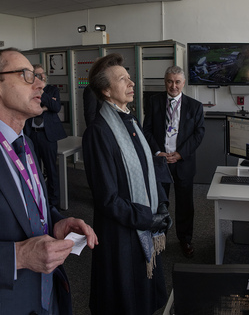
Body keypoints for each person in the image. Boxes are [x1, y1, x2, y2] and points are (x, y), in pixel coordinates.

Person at [0, 47, 97, 314]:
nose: (41, 83)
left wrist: (55, 222)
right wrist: (17, 256)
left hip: (46, 296)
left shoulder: (26, 142)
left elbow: (28, 205)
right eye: (26, 75)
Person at [82, 53, 172, 314]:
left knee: (145, 296)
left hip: (141, 221)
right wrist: (147, 217)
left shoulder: (130, 120)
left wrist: (161, 204)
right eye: (123, 79)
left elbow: (148, 168)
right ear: (106, 90)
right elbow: (107, 198)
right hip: (121, 234)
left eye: (129, 78)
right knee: (125, 301)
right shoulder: (98, 132)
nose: (131, 83)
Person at [143, 65, 205, 258]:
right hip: (161, 161)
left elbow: (198, 133)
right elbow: (148, 130)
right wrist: (158, 151)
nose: (173, 86)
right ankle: (159, 239)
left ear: (183, 83)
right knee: (160, 203)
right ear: (165, 82)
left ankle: (185, 239)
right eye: (170, 81)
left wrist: (180, 154)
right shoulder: (153, 102)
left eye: (177, 82)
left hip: (183, 162)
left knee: (185, 204)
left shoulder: (195, 106)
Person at [24, 64, 67, 208]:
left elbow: (55, 108)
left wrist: (41, 91)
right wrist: (44, 108)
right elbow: (28, 108)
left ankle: (53, 202)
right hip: (31, 135)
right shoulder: (27, 91)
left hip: (47, 136)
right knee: (33, 169)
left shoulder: (52, 90)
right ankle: (37, 199)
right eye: (37, 75)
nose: (41, 77)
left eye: (43, 74)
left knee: (51, 169)